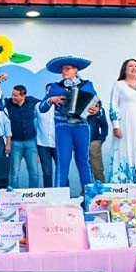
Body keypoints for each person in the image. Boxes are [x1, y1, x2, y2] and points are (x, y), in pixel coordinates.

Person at [39, 55, 100, 190]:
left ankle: (89, 196)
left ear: (76, 70)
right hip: (63, 127)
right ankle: (59, 197)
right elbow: (42, 108)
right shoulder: (55, 87)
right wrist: (51, 100)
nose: (64, 71)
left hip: (81, 126)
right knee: (63, 162)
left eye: (68, 68)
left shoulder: (87, 85)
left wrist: (96, 109)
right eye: (63, 69)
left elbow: (97, 104)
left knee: (83, 161)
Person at [109, 58, 136, 184]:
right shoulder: (119, 85)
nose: (134, 68)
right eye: (130, 66)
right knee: (124, 149)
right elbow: (113, 106)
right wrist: (116, 126)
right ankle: (123, 182)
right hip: (125, 124)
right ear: (124, 69)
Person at [4, 85, 40, 188]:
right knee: (14, 173)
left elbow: (45, 104)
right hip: (15, 143)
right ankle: (13, 197)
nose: (13, 97)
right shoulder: (8, 103)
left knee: (34, 172)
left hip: (31, 143)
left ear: (23, 96)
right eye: (12, 94)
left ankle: (33, 195)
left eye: (15, 95)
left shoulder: (31, 101)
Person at [35, 85, 57, 188]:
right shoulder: (38, 106)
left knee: (62, 172)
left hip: (59, 145)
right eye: (47, 90)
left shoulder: (62, 107)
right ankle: (49, 195)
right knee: (47, 173)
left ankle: (64, 195)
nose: (49, 92)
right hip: (43, 145)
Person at [86, 100, 108, 182]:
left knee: (97, 168)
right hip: (81, 142)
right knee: (84, 169)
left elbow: (104, 126)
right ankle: (85, 191)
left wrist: (100, 141)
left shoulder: (98, 107)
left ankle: (101, 191)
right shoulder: (78, 104)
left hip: (94, 141)